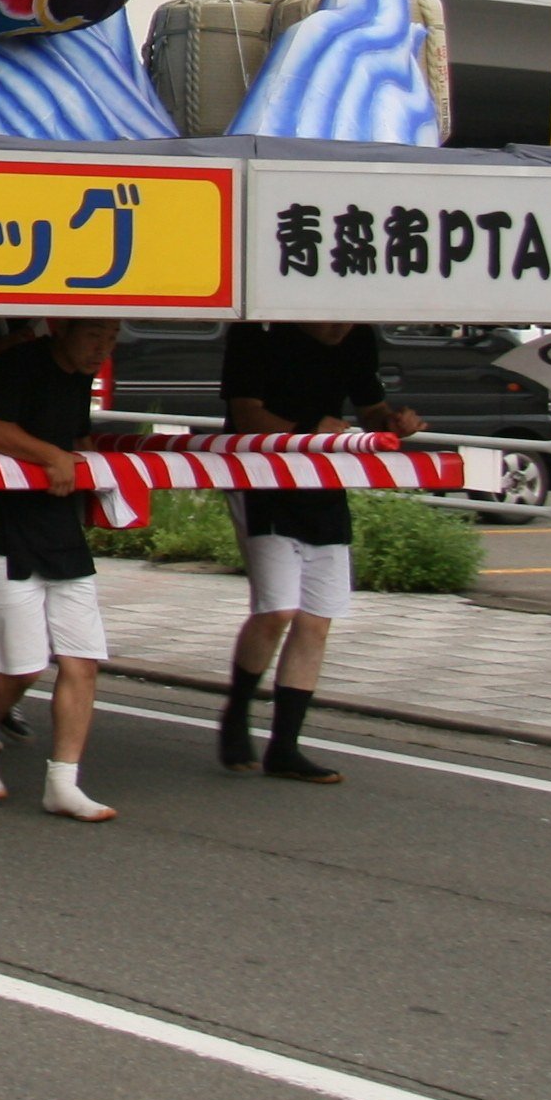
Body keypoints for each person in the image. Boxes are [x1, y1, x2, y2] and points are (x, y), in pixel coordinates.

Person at [215, 320, 422, 783]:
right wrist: (309, 429)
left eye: (345, 319)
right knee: (277, 610)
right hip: (260, 473)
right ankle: (238, 708)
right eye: (329, 320)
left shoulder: (358, 337)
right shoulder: (257, 331)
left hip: (322, 475)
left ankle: (285, 746)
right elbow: (246, 413)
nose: (337, 328)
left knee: (317, 618)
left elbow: (371, 407)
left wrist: (392, 423)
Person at [0, 318, 122, 822]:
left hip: (60, 527)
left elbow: (76, 436)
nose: (103, 348)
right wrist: (51, 455)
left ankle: (63, 780)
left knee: (82, 658)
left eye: (112, 338)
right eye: (95, 335)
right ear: (63, 329)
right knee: (21, 665)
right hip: (2, 529)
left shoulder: (79, 378)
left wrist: (86, 462)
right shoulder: (20, 363)